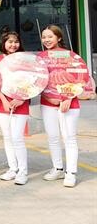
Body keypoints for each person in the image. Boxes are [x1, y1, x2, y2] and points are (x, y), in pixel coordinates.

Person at [38, 25, 81, 188]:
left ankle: (71, 173)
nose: (47, 40)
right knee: (53, 137)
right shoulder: (40, 58)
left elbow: (80, 78)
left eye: (50, 36)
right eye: (44, 37)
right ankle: (58, 168)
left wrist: (68, 97)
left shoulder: (71, 57)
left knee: (69, 138)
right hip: (48, 103)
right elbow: (37, 81)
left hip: (69, 103)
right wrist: (50, 97)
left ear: (59, 38)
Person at [0, 31, 29, 186]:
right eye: (9, 42)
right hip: (3, 104)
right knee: (7, 137)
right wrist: (4, 101)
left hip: (21, 103)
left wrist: (21, 98)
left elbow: (33, 80)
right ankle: (13, 168)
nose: (13, 45)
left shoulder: (25, 60)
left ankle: (23, 171)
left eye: (16, 42)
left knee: (17, 138)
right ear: (3, 43)